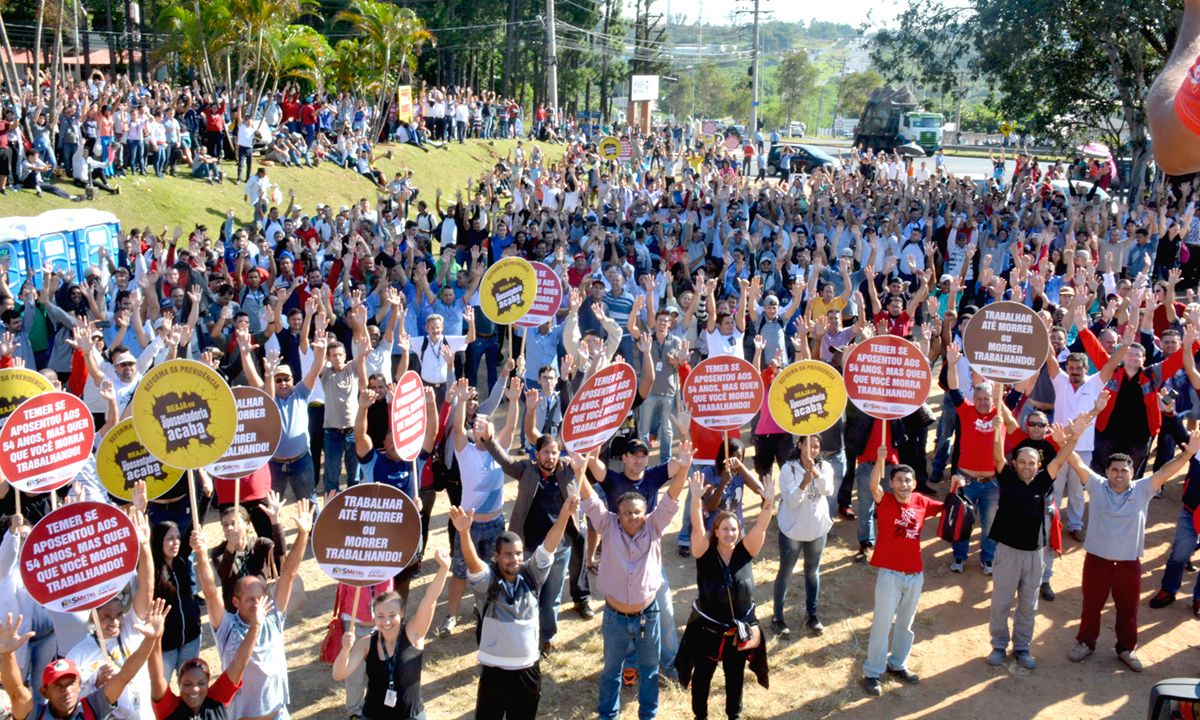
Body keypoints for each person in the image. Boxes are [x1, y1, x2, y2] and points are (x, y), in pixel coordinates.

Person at [1058, 432, 1200, 672]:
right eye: (1114, 470)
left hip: (1128, 563)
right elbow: (1076, 462)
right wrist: (1064, 443)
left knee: (1128, 609)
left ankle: (1126, 648)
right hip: (1097, 561)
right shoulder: (1096, 484)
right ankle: (1085, 643)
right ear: (1107, 471)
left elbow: (1166, 471)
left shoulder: (1143, 489)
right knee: (1091, 606)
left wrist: (1187, 454)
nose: (1119, 474)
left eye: (1124, 470)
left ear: (1132, 472)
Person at [578, 447, 687, 720]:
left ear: (645, 512)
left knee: (649, 672)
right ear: (618, 512)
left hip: (647, 617)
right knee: (611, 672)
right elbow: (590, 500)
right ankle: (608, 715)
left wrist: (683, 466)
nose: (633, 517)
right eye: (627, 512)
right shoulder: (607, 524)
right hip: (614, 617)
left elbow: (672, 497)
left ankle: (647, 715)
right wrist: (580, 471)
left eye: (638, 512)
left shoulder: (655, 525)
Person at [452, 484, 576, 720]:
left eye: (518, 553)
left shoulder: (531, 575)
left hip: (528, 669)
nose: (515, 559)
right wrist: (464, 532)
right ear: (496, 556)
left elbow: (549, 546)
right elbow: (474, 563)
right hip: (494, 672)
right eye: (508, 554)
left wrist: (564, 514)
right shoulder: (487, 582)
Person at [192, 499, 312, 720]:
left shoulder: (274, 617)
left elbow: (289, 574)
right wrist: (200, 553)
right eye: (250, 599)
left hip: (279, 715)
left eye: (260, 597)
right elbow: (210, 591)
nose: (257, 603)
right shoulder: (227, 628)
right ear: (236, 602)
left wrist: (303, 533)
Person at [985, 417, 1083, 670]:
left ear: (1039, 465)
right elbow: (997, 458)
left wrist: (1075, 437)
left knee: (1029, 604)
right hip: (1007, 552)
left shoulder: (1043, 480)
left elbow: (1061, 459)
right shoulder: (1007, 478)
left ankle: (1022, 648)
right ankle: (998, 645)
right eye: (1022, 462)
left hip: (1036, 555)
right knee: (1002, 602)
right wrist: (998, 431)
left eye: (1032, 463)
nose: (1027, 467)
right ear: (1015, 463)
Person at [676, 469, 773, 720]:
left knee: (735, 676)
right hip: (707, 632)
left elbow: (762, 525)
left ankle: (734, 715)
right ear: (716, 531)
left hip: (736, 632)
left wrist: (769, 501)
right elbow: (697, 527)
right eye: (724, 529)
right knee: (702, 677)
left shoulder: (745, 550)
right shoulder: (704, 553)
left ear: (739, 531)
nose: (730, 533)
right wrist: (696, 500)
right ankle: (701, 716)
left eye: (734, 529)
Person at [861, 442, 943, 697]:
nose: (904, 484)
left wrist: (957, 488)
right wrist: (880, 460)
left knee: (905, 624)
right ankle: (873, 672)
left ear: (914, 483)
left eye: (908, 480)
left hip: (915, 574)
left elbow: (947, 509)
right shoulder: (884, 500)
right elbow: (873, 486)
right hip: (890, 574)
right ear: (892, 483)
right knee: (882, 624)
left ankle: (898, 664)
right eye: (899, 480)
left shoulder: (921, 501)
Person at [331, 549, 451, 720]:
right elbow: (339, 674)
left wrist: (444, 569)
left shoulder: (413, 634)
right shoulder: (365, 644)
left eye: (392, 615)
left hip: (411, 715)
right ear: (374, 617)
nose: (386, 622)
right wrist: (345, 650)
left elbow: (430, 599)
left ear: (401, 613)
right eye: (380, 616)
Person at [0, 601, 168, 720]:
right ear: (44, 692)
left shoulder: (93, 706)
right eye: (58, 685)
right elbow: (15, 692)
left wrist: (150, 639)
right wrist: (7, 655)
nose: (66, 691)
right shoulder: (36, 715)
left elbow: (126, 674)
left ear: (80, 685)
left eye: (71, 683)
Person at [147, 593, 262, 720]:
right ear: (179, 684)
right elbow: (157, 677)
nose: (194, 690)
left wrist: (255, 626)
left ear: (209, 682)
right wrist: (154, 638)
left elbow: (239, 663)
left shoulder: (217, 699)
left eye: (201, 683)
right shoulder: (169, 708)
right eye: (187, 684)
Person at [772, 435, 834, 637]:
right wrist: (803, 484)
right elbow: (791, 502)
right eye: (808, 445)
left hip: (817, 529)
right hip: (793, 530)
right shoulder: (787, 469)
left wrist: (815, 474)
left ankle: (812, 615)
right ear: (799, 445)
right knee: (786, 572)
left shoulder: (825, 468)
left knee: (812, 572)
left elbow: (828, 490)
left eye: (816, 447)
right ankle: (778, 618)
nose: (812, 451)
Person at [150, 521, 202, 683]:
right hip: (165, 647)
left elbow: (195, 522)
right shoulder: (150, 570)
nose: (176, 543)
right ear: (159, 541)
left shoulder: (182, 560)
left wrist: (206, 497)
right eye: (170, 538)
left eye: (178, 538)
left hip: (191, 640)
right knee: (161, 689)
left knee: (188, 685)